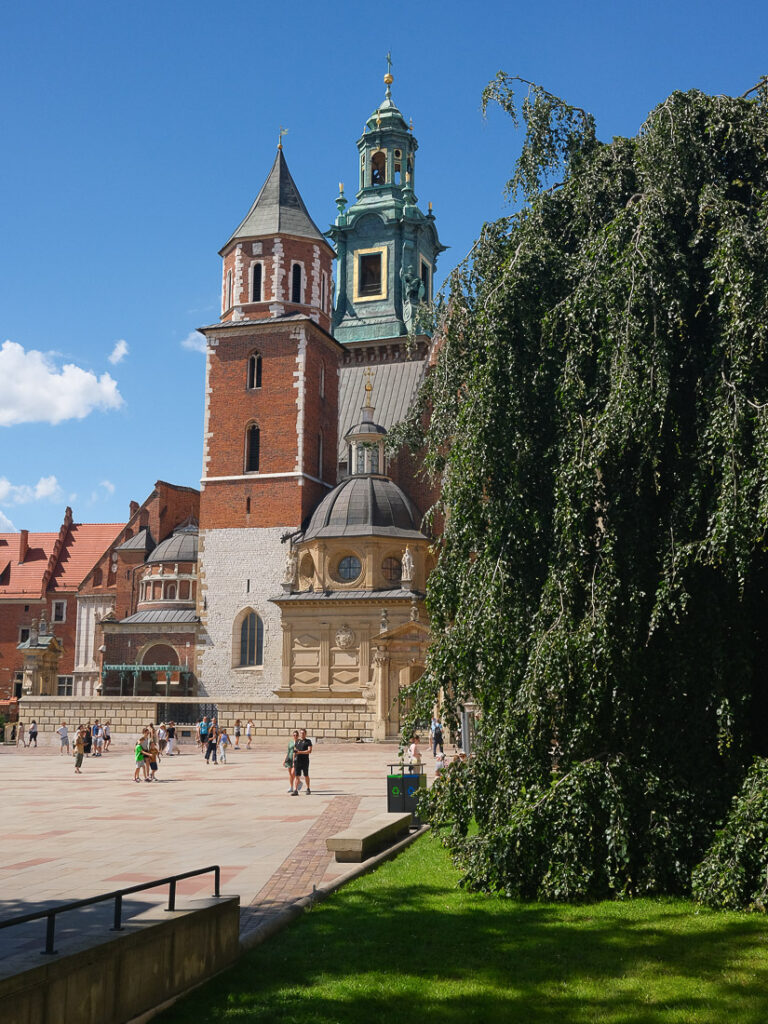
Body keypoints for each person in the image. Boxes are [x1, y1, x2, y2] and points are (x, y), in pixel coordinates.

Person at [292, 729, 313, 795]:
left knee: (306, 775)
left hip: (305, 761)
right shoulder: (297, 741)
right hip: (298, 761)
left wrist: (300, 752)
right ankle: (295, 790)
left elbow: (309, 751)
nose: (302, 734)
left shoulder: (308, 741)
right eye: (301, 733)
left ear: (305, 734)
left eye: (303, 733)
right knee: (297, 776)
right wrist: (293, 760)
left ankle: (308, 788)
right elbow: (295, 751)